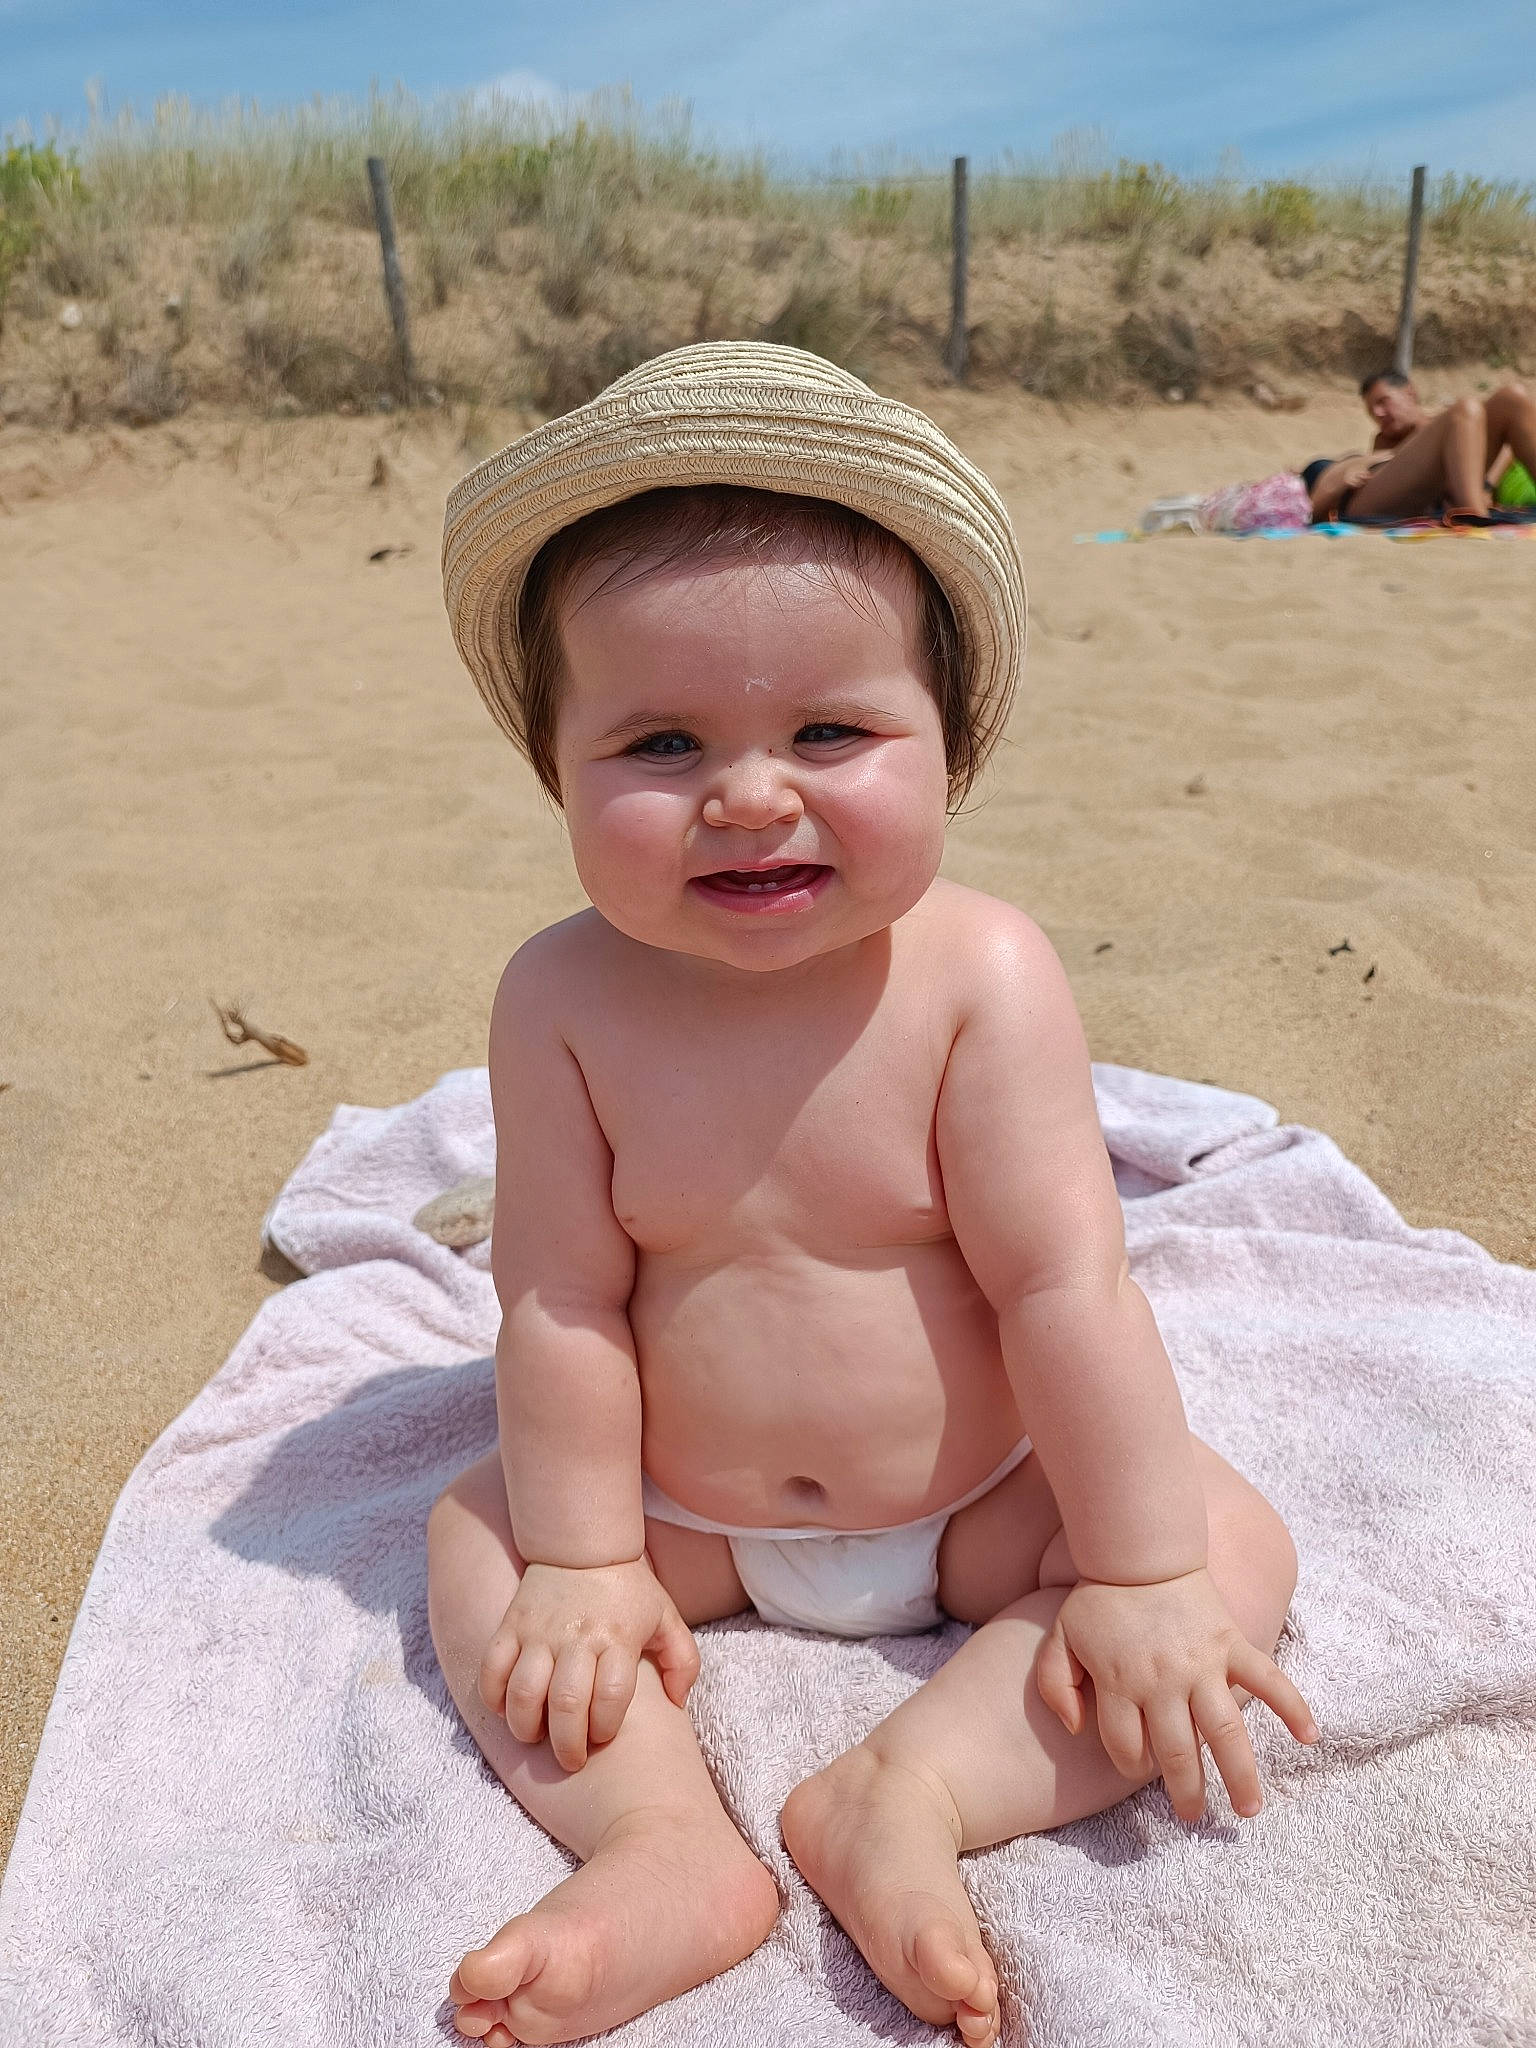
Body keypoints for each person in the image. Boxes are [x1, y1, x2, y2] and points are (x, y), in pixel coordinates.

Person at [428, 342, 1319, 2048]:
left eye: (830, 729)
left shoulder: (976, 974)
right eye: (659, 739)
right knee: (476, 1546)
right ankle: (663, 1843)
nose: (749, 791)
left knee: (1222, 1551)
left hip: (976, 1493)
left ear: (950, 744)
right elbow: (555, 1298)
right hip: (686, 1515)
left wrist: (1129, 1568)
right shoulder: (561, 997)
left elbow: (1065, 1284)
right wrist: (584, 1551)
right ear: (556, 765)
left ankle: (905, 1790)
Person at [1302, 368, 1536, 522]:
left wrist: (1486, 485)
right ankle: (1473, 516)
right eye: (1372, 410)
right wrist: (1343, 481)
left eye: (1384, 402)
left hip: (1446, 484)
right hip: (1374, 494)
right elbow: (1311, 510)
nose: (1378, 414)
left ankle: (1472, 502)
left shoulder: (1448, 422)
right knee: (1465, 409)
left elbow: (1506, 450)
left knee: (1511, 397)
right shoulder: (1379, 445)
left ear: (1409, 393)